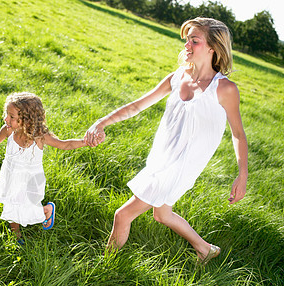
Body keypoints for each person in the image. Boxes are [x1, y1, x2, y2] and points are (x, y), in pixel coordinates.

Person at [85, 17, 248, 264]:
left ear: (213, 47)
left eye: (195, 40)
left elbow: (238, 133)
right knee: (162, 214)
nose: (187, 45)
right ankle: (205, 249)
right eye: (186, 40)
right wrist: (102, 122)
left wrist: (242, 174)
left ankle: (103, 269)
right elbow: (138, 105)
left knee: (123, 215)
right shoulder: (177, 77)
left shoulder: (224, 89)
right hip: (161, 158)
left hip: (181, 165)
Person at [0, 92, 87, 243]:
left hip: (30, 180)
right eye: (6, 114)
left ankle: (47, 210)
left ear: (27, 119)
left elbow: (64, 144)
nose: (6, 119)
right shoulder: (8, 130)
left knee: (28, 208)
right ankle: (16, 234)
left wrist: (85, 142)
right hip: (10, 175)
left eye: (11, 117)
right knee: (11, 203)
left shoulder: (40, 136)